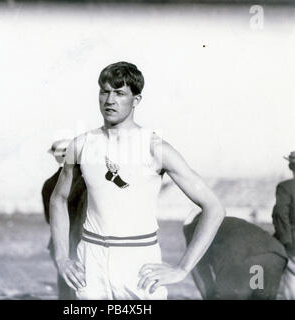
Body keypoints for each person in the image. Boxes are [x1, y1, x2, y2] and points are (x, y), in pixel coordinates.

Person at [49, 61, 225, 300]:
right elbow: (58, 199)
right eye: (105, 91)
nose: (109, 100)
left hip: (138, 262)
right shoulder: (81, 145)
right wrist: (61, 257)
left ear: (136, 100)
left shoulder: (155, 149)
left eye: (120, 93)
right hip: (90, 260)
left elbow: (214, 208)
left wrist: (182, 268)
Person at [183, 213, 287, 299]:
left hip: (242, 258)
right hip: (274, 254)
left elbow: (199, 269)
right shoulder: (228, 221)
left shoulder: (194, 228)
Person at [41, 139, 87, 299]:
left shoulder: (48, 184)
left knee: (66, 288)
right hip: (82, 244)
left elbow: (50, 219)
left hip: (58, 245)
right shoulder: (87, 180)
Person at [272, 151, 295, 299]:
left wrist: (287, 242)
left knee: (291, 280)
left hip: (292, 242)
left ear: (291, 166)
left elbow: (280, 214)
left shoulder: (285, 187)